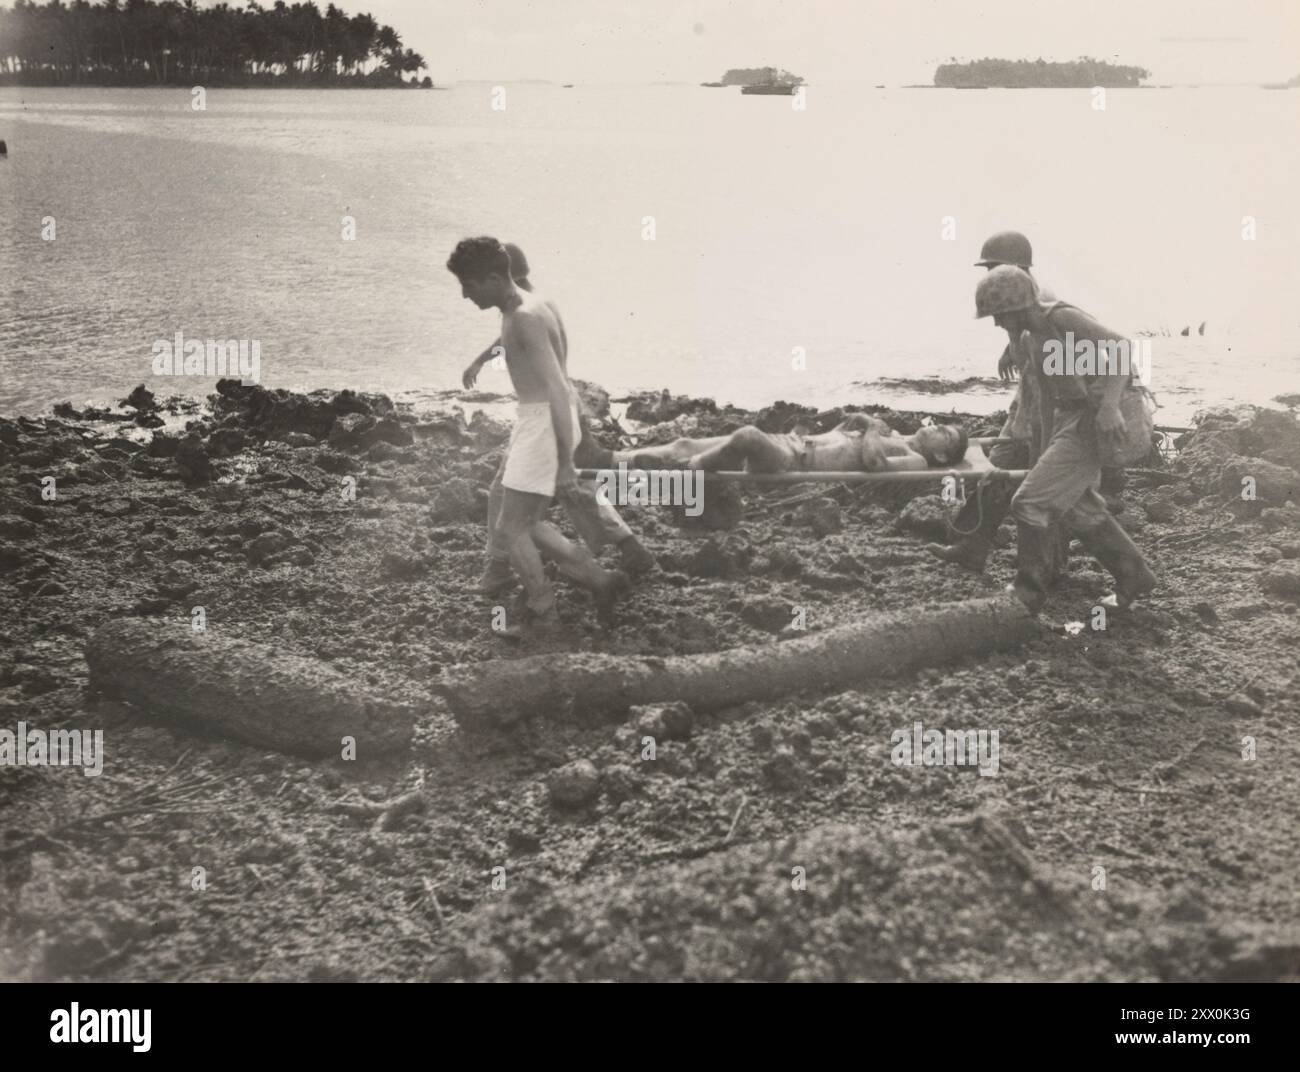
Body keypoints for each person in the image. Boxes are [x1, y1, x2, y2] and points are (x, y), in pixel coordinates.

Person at [447, 236, 629, 635]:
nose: (464, 295)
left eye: (469, 285)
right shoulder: (528, 306)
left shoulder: (524, 316)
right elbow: (517, 344)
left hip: (544, 424)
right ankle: (600, 581)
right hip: (538, 422)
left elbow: (558, 389)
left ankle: (543, 615)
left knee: (511, 529)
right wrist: (483, 358)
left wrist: (565, 461)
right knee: (525, 522)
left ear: (494, 278)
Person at [974, 266, 1155, 612]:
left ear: (1016, 307)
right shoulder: (1029, 339)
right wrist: (1040, 456)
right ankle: (1134, 574)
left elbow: (1121, 347)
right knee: (1076, 505)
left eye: (998, 315)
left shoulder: (1063, 317)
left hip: (1103, 416)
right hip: (1073, 419)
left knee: (1028, 502)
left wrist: (1110, 406)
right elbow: (1046, 402)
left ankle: (1027, 591)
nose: (996, 324)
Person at [593, 412, 968, 473]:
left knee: (746, 436)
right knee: (685, 441)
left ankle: (683, 478)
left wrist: (869, 426)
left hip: (795, 461)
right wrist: (855, 422)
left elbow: (876, 465)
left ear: (939, 453)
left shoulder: (916, 461)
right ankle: (610, 460)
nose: (937, 428)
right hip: (792, 441)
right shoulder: (897, 436)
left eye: (945, 434)